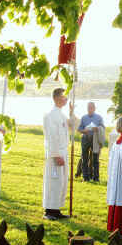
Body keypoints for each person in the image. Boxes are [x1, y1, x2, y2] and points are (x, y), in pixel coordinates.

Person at [42, 88, 75, 220]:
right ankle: (49, 210)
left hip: (63, 152)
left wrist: (72, 112)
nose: (65, 99)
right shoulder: (50, 115)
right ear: (56, 98)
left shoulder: (62, 115)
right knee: (53, 181)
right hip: (55, 153)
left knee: (61, 182)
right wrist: (55, 155)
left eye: (66, 97)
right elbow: (51, 136)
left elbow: (73, 126)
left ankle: (56, 209)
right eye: (63, 97)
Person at [77, 102, 105, 182]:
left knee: (95, 159)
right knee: (84, 159)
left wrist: (98, 129)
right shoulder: (83, 117)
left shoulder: (99, 117)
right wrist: (84, 131)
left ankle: (96, 178)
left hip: (95, 139)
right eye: (88, 107)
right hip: (85, 139)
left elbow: (103, 127)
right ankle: (85, 178)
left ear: (94, 108)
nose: (90, 109)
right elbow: (79, 129)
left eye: (91, 107)